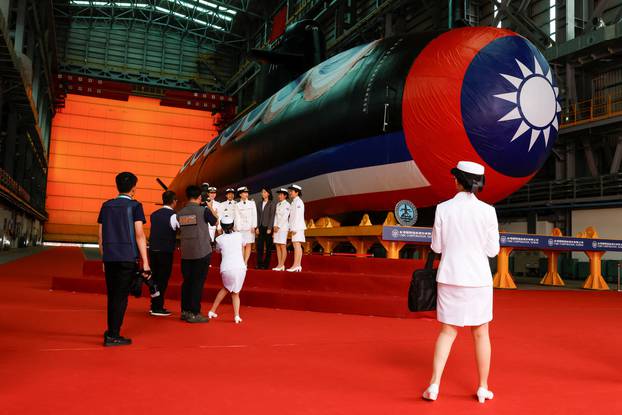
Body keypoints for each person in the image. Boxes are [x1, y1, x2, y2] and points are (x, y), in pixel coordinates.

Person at [422, 161, 500, 404]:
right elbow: (492, 250)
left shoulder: (443, 209)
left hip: (450, 276)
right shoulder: (488, 211)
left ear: (457, 180)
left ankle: (434, 385)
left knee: (447, 332)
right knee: (481, 333)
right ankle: (483, 387)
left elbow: (436, 246)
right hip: (478, 279)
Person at [97, 172, 150, 347]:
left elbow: (100, 237)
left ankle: (111, 330)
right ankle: (113, 334)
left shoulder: (106, 206)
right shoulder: (135, 206)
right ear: (134, 188)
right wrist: (146, 263)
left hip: (111, 256)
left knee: (113, 296)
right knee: (120, 297)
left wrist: (104, 259)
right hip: (127, 256)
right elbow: (140, 235)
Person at [177, 185, 218, 323]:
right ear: (200, 197)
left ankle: (185, 311)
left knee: (187, 282)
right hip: (201, 252)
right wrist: (208, 205)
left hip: (186, 253)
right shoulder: (203, 210)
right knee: (197, 283)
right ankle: (195, 313)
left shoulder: (181, 213)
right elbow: (215, 220)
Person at [208, 215, 247, 323]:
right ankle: (236, 316)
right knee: (235, 292)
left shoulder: (219, 239)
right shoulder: (239, 235)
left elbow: (217, 251)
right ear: (232, 225)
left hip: (227, 268)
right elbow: (244, 245)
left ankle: (212, 311)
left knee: (226, 288)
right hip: (240, 267)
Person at [147, 190, 179, 317]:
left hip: (153, 250)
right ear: (174, 201)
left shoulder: (154, 214)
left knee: (155, 278)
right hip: (165, 251)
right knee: (163, 280)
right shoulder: (174, 215)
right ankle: (157, 307)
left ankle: (154, 304)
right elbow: (178, 229)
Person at [234, 186, 257, 265]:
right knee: (242, 245)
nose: (246, 194)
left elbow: (254, 215)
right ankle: (241, 261)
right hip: (241, 228)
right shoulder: (237, 205)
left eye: (247, 192)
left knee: (248, 244)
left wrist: (254, 226)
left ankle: (245, 262)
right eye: (244, 193)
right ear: (240, 194)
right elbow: (237, 217)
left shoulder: (252, 203)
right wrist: (237, 228)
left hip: (250, 227)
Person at [255, 187, 276, 269]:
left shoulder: (272, 203)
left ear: (268, 193)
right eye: (262, 192)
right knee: (259, 246)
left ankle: (266, 264)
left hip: (268, 227)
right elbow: (257, 216)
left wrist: (270, 228)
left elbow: (272, 216)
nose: (263, 194)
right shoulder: (259, 203)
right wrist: (256, 227)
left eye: (264, 192)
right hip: (260, 227)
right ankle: (259, 264)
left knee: (268, 247)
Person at [287, 184, 306, 272]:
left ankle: (296, 265)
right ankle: (297, 265)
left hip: (297, 227)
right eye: (290, 191)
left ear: (297, 192)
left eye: (292, 191)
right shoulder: (294, 202)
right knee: (296, 245)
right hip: (294, 227)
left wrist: (294, 228)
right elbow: (291, 217)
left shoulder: (298, 202)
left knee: (297, 245)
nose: (290, 193)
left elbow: (298, 216)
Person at [272, 188, 290, 271]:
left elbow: (285, 217)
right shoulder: (278, 204)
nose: (279, 196)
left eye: (281, 194)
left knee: (282, 245)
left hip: (283, 228)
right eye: (278, 194)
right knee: (277, 245)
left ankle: (282, 264)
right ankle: (279, 265)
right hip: (277, 228)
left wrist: (278, 226)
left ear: (285, 196)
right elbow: (276, 216)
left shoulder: (287, 204)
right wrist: (275, 226)